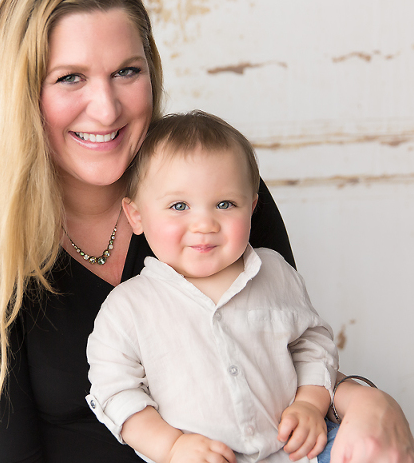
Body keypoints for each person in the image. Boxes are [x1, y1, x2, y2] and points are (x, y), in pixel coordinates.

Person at [0, 0, 414, 463]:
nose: (106, 108)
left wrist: (362, 397)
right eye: (70, 77)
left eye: (126, 71)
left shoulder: (219, 200)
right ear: (21, 94)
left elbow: (285, 349)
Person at [86, 111, 338, 463]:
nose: (204, 223)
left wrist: (311, 403)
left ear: (251, 207)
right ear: (137, 216)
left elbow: (312, 343)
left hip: (295, 453)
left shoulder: (274, 272)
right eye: (179, 206)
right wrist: (171, 447)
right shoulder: (127, 308)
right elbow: (115, 392)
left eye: (225, 204)